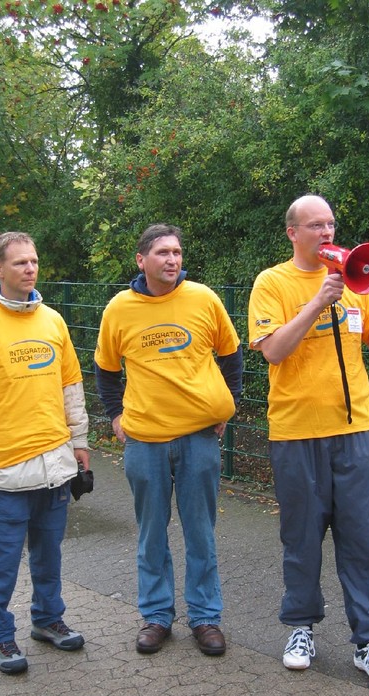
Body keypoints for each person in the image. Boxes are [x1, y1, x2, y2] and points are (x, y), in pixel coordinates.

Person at [248, 195, 369, 688]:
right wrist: (318, 301)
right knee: (301, 539)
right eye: (315, 225)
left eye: (331, 225)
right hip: (297, 432)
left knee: (361, 538)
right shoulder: (272, 283)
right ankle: (301, 628)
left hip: (357, 429)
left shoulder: (354, 276)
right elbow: (273, 351)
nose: (326, 233)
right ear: (292, 232)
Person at [94, 223, 242, 656]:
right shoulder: (119, 309)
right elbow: (105, 368)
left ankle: (205, 618)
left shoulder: (204, 299)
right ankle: (157, 616)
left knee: (201, 533)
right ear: (141, 260)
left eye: (177, 252)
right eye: (162, 252)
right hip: (145, 442)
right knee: (151, 533)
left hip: (199, 437)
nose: (172, 260)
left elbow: (231, 355)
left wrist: (225, 406)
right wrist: (115, 416)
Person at [0, 231, 90, 674]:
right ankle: (0, 636)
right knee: (1, 562)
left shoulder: (53, 322)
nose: (30, 269)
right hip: (5, 474)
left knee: (49, 555)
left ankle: (48, 621)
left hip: (55, 467)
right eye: (20, 263)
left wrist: (80, 444)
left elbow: (72, 389)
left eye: (34, 261)